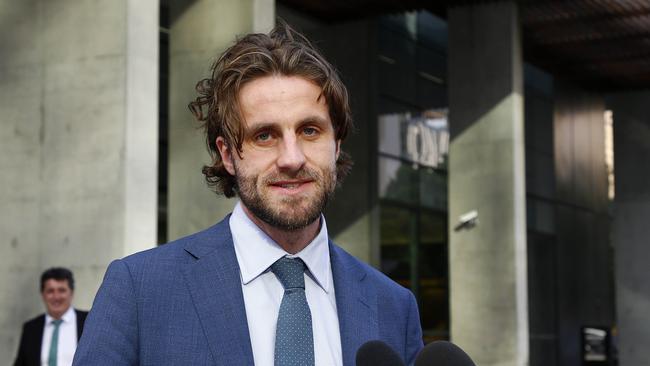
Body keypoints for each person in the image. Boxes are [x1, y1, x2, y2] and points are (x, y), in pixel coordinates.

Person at [73, 23, 423, 366]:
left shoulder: (393, 306)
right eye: (264, 136)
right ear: (227, 154)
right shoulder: (140, 291)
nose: (292, 158)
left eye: (310, 130)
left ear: (336, 144)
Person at [14, 267, 88, 366]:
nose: (56, 297)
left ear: (71, 293)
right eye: (50, 291)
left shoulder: (89, 322)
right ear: (43, 294)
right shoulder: (31, 328)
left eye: (62, 290)